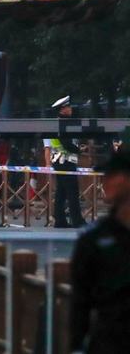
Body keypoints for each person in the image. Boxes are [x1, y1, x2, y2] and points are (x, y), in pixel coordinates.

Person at [70, 146, 130, 352]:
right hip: (109, 341)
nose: (105, 182)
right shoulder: (94, 239)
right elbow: (80, 303)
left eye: (112, 175)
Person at [44, 96, 85, 228]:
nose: (70, 109)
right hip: (65, 160)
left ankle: (60, 220)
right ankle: (77, 221)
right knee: (73, 192)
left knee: (61, 192)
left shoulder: (57, 123)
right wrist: (80, 150)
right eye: (68, 107)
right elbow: (67, 144)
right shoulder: (63, 124)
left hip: (59, 160)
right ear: (62, 110)